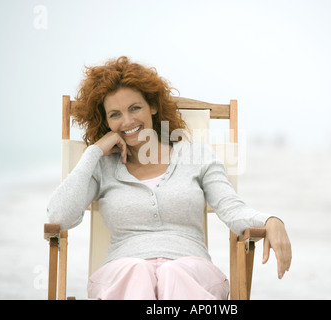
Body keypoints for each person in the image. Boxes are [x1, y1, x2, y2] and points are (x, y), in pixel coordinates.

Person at [47, 56, 292, 300]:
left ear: (152, 106)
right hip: (122, 276)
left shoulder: (197, 156)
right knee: (137, 270)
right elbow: (59, 217)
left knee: (173, 273)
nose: (128, 121)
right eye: (115, 114)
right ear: (106, 120)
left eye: (135, 108)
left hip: (192, 273)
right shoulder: (101, 166)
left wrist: (270, 220)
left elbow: (232, 209)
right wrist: (94, 151)